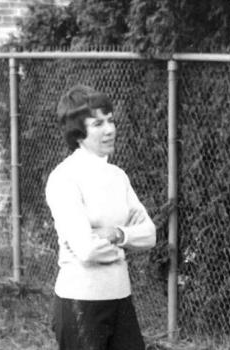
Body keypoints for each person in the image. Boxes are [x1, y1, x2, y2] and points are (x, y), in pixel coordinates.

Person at [45, 84, 157, 350]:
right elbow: (87, 251)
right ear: (78, 133)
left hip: (121, 299)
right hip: (80, 304)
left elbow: (150, 234)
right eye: (98, 123)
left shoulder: (118, 177)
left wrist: (118, 234)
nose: (109, 129)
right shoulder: (64, 178)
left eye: (110, 120)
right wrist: (124, 247)